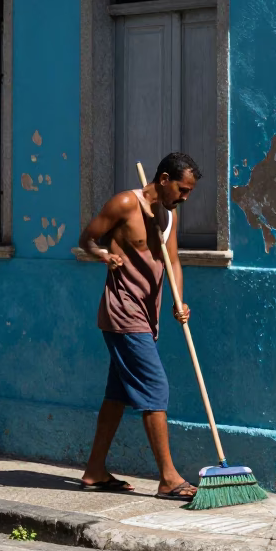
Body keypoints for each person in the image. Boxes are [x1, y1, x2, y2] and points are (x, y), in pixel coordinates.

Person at [77, 151, 202, 500]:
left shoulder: (167, 219)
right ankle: (169, 479)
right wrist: (104, 255)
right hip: (123, 315)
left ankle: (94, 471)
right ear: (163, 179)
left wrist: (179, 301)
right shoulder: (124, 204)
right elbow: (86, 239)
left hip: (149, 316)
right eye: (182, 188)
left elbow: (173, 261)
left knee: (117, 395)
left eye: (189, 191)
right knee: (155, 388)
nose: (185, 197)